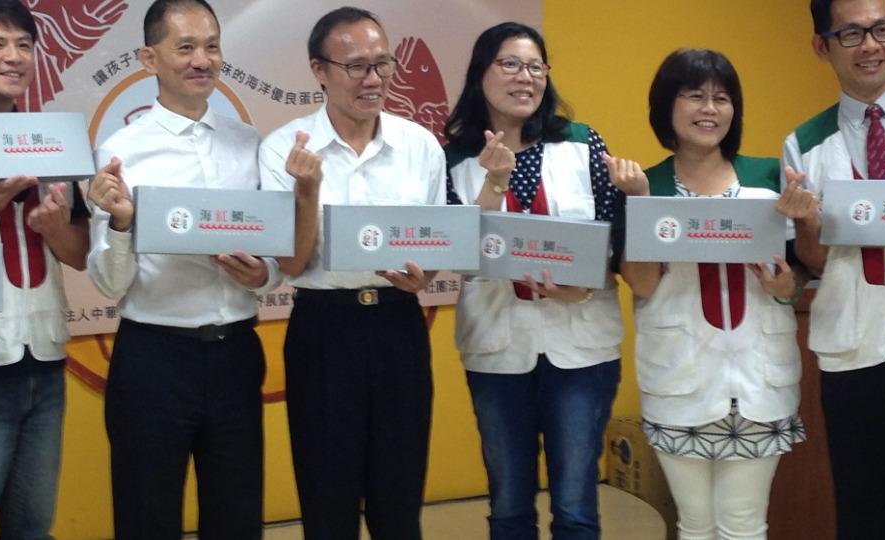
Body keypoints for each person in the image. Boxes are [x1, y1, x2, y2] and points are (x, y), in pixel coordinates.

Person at [86, 0, 279, 538]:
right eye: (186, 47)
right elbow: (108, 282)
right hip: (154, 360)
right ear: (149, 59)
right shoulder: (120, 152)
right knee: (146, 519)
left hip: (236, 353)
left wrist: (263, 274)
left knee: (237, 517)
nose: (202, 60)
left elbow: (273, 250)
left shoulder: (248, 142)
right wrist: (122, 224)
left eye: (212, 46)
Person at [258, 6, 445, 540]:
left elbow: (433, 243)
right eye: (357, 66)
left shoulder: (419, 145)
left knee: (400, 498)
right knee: (327, 499)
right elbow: (290, 264)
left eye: (383, 64)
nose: (373, 79)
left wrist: (423, 277)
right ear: (319, 70)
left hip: (399, 325)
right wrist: (307, 192)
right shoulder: (285, 149)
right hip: (324, 329)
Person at [605, 49, 806, 540]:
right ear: (666, 106)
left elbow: (798, 274)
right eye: (694, 95)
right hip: (680, 379)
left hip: (759, 381)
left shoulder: (768, 178)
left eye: (722, 97)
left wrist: (786, 287)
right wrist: (640, 204)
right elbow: (644, 284)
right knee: (694, 524)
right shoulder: (645, 184)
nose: (709, 109)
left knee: (743, 524)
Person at [443, 21, 623, 540]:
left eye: (535, 67)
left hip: (581, 347)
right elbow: (461, 253)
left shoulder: (581, 143)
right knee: (509, 506)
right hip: (497, 345)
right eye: (510, 64)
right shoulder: (452, 156)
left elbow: (613, 234)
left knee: (576, 507)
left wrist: (585, 285)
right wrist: (494, 181)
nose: (525, 77)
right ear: (481, 73)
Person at [776, 0, 885, 537]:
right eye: (852, 34)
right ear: (822, 46)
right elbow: (814, 263)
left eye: (882, 29)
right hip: (851, 351)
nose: (871, 45)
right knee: (863, 516)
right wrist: (807, 225)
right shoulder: (804, 145)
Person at [0, 0, 90, 538]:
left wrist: (55, 230)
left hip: (43, 359)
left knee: (33, 526)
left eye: (24, 45)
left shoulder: (51, 140)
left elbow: (79, 253)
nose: (14, 57)